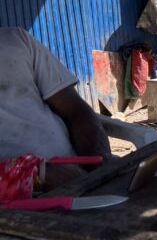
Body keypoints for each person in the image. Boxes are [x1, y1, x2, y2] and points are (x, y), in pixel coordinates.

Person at [0, 27, 111, 189]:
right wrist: (36, 175)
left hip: (75, 173)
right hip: (19, 197)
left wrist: (101, 168)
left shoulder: (15, 40)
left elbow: (76, 111)